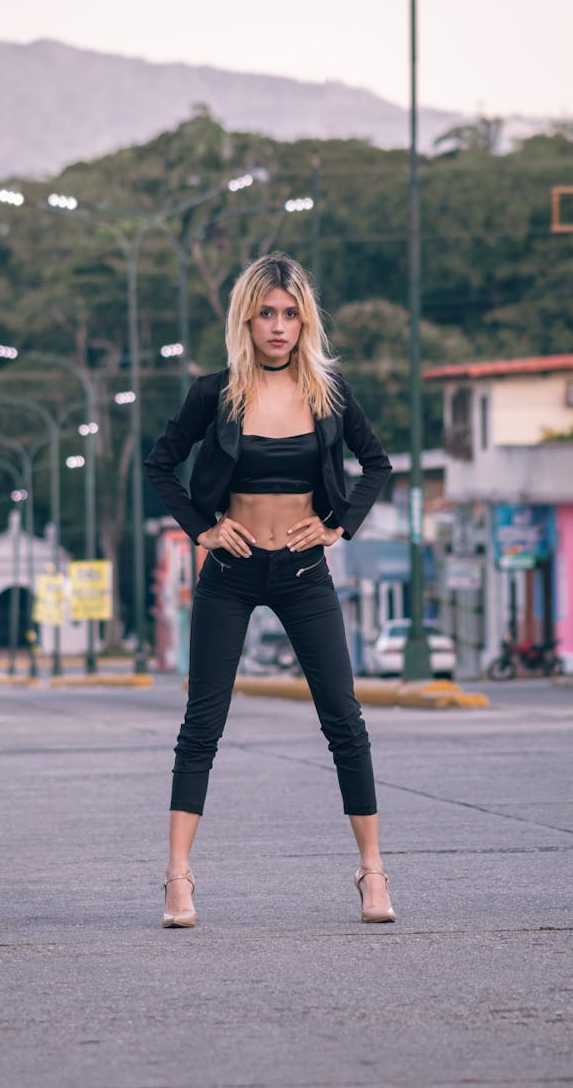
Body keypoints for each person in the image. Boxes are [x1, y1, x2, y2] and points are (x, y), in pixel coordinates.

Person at [145, 253, 395, 927]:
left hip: (303, 571)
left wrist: (338, 525)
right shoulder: (215, 393)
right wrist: (203, 529)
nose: (279, 326)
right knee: (203, 723)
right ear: (247, 319)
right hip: (231, 569)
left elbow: (378, 464)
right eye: (267, 314)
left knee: (344, 719)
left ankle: (373, 871)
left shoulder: (329, 393)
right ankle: (177, 877)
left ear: (303, 319)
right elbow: (161, 463)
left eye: (290, 314)